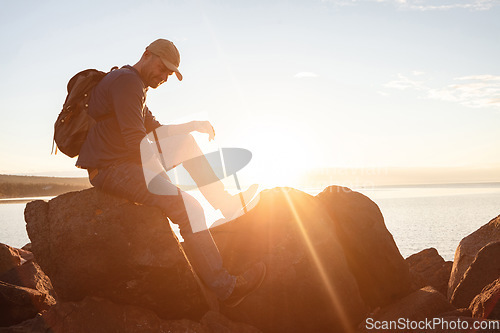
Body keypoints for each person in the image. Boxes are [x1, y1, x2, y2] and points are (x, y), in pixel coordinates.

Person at [76, 38, 266, 307]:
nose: (164, 76)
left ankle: (227, 204)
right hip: (112, 168)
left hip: (123, 162)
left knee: (186, 143)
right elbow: (136, 140)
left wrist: (193, 125)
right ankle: (225, 288)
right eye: (162, 68)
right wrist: (164, 183)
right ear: (146, 54)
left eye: (169, 73)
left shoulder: (133, 84)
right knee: (190, 209)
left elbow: (154, 129)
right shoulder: (127, 83)